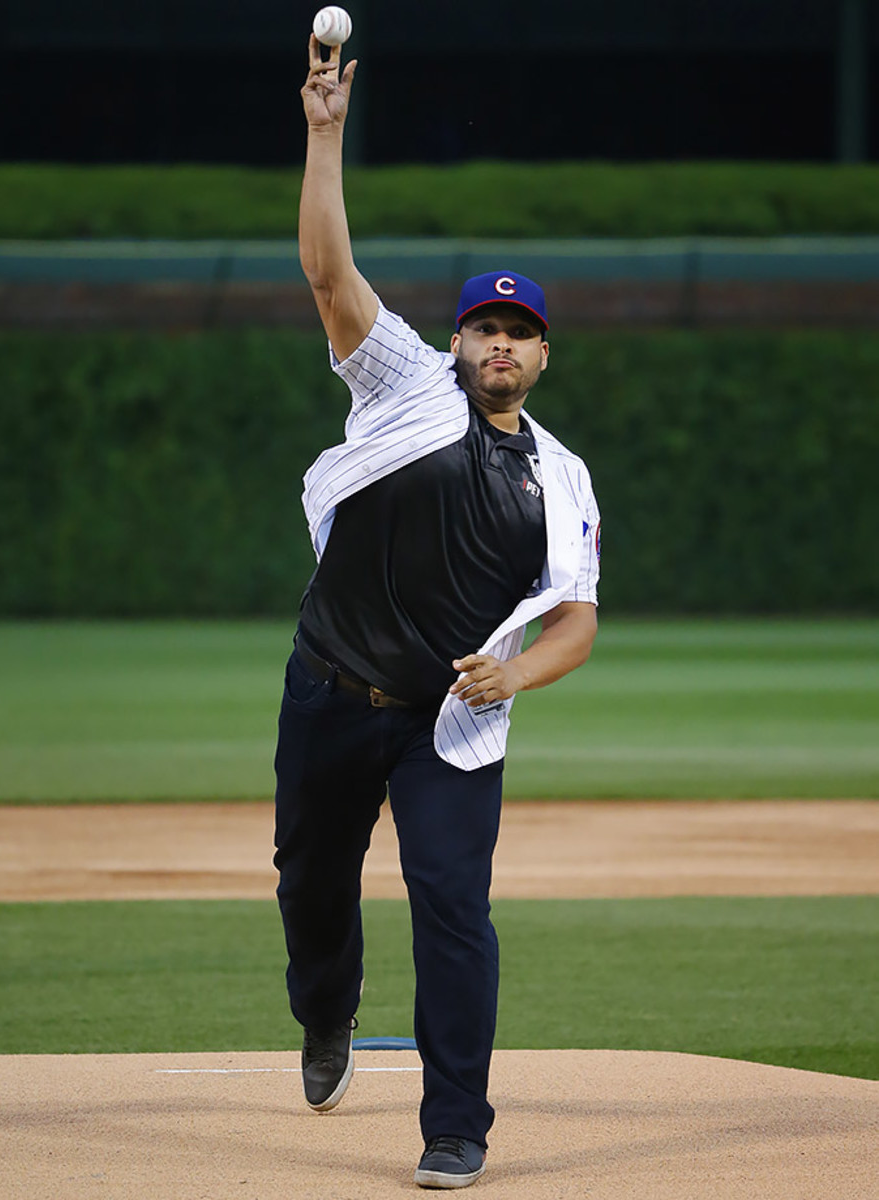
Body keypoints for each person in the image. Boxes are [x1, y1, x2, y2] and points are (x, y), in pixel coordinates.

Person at [272, 34, 601, 1191]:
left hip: (445, 721)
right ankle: (327, 1013)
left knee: (454, 905)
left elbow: (575, 618)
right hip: (328, 686)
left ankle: (456, 1125)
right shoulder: (405, 382)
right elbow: (327, 274)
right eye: (484, 326)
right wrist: (324, 133)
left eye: (520, 330)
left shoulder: (560, 477)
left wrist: (519, 675)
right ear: (457, 341)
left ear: (543, 356)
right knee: (310, 887)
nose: (499, 340)